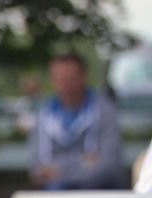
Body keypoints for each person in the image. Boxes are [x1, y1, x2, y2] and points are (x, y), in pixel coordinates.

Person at [29, 52, 125, 190]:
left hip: (99, 189)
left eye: (70, 78)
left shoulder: (105, 111)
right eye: (59, 78)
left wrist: (59, 170)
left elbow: (108, 165)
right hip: (57, 192)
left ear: (83, 76)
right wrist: (83, 163)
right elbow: (37, 169)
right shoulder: (44, 114)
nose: (65, 84)